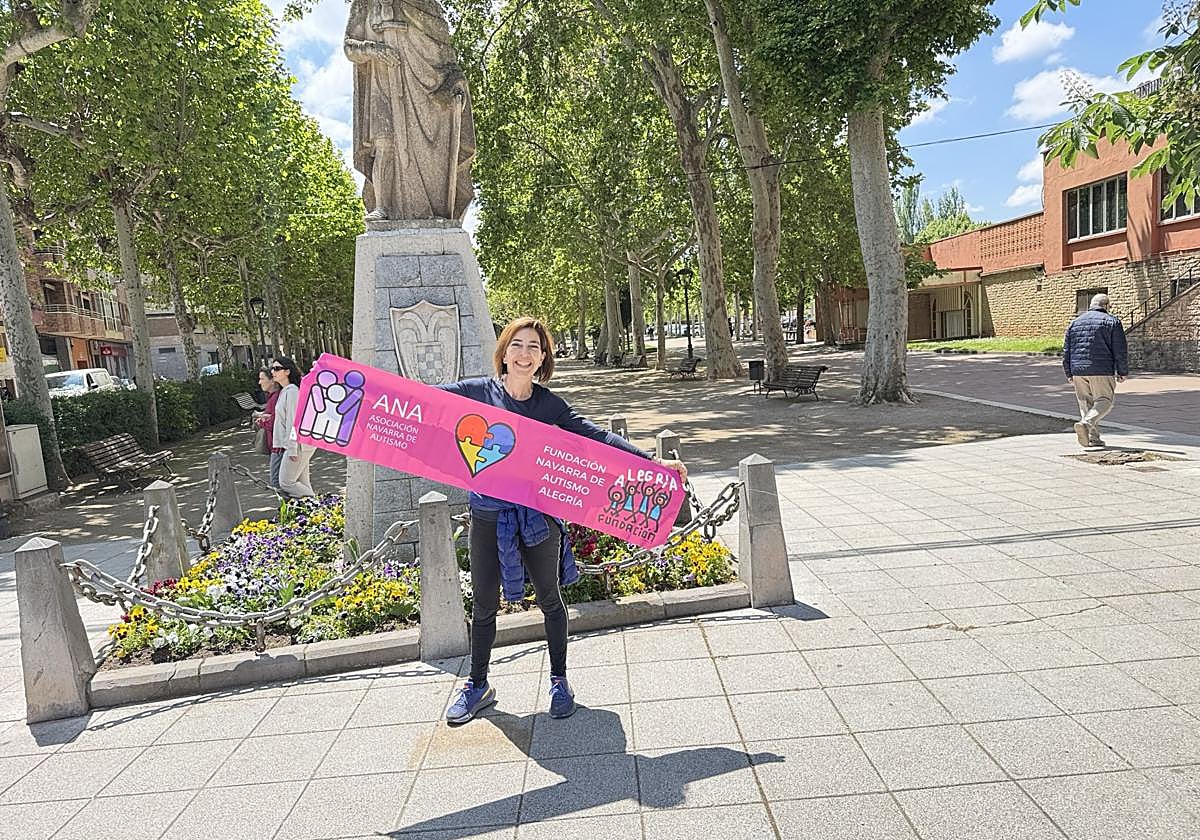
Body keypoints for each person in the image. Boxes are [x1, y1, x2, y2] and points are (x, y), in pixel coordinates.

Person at [439, 317, 687, 724]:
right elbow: (418, 402)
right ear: (504, 351)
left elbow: (597, 436)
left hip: (537, 516)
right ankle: (477, 683)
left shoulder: (548, 404)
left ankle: (559, 679)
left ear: (542, 358)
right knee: (484, 604)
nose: (524, 353)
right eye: (517, 345)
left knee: (550, 600)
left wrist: (652, 461)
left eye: (533, 347)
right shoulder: (477, 392)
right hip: (486, 515)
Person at [1063, 293, 1128, 450]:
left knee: (1086, 403)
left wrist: (1068, 372)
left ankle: (1093, 438)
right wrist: (1122, 370)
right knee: (1105, 400)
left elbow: (1066, 350)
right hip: (1101, 368)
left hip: (1078, 369)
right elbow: (1120, 349)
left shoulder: (1075, 322)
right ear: (1106, 306)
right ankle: (1086, 423)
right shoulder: (1112, 321)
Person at [270, 357, 317, 498]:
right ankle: (315, 513)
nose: (273, 372)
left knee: (286, 482)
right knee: (303, 483)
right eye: (272, 369)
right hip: (297, 445)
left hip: (298, 446)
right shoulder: (286, 391)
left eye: (277, 369)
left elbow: (293, 423)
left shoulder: (292, 392)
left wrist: (292, 449)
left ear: (287, 371)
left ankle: (318, 505)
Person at [254, 368, 282, 488]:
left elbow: (275, 422)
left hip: (278, 446)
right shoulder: (272, 397)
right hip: (274, 445)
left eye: (262, 379)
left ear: (272, 381)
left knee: (276, 481)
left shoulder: (275, 398)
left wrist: (261, 422)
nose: (259, 382)